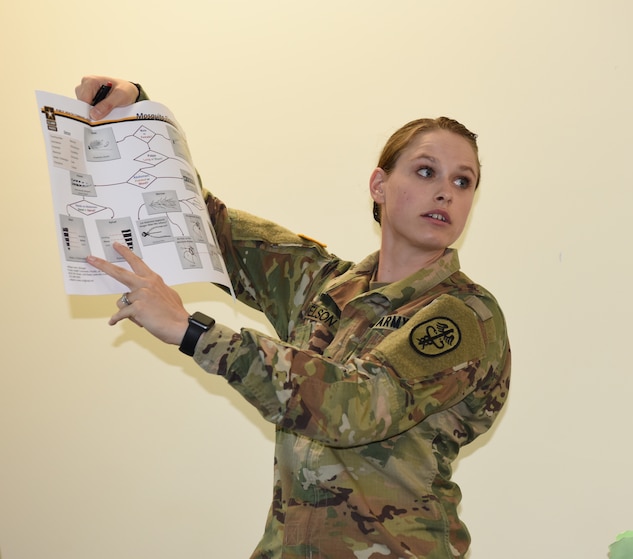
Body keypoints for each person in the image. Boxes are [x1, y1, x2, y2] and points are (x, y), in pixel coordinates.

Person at [77, 75, 511, 559]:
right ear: (379, 185)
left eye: (463, 181)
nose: (446, 193)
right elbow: (204, 222)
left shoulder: (462, 316)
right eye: (426, 171)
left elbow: (354, 404)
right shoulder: (322, 286)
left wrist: (192, 331)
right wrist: (137, 112)